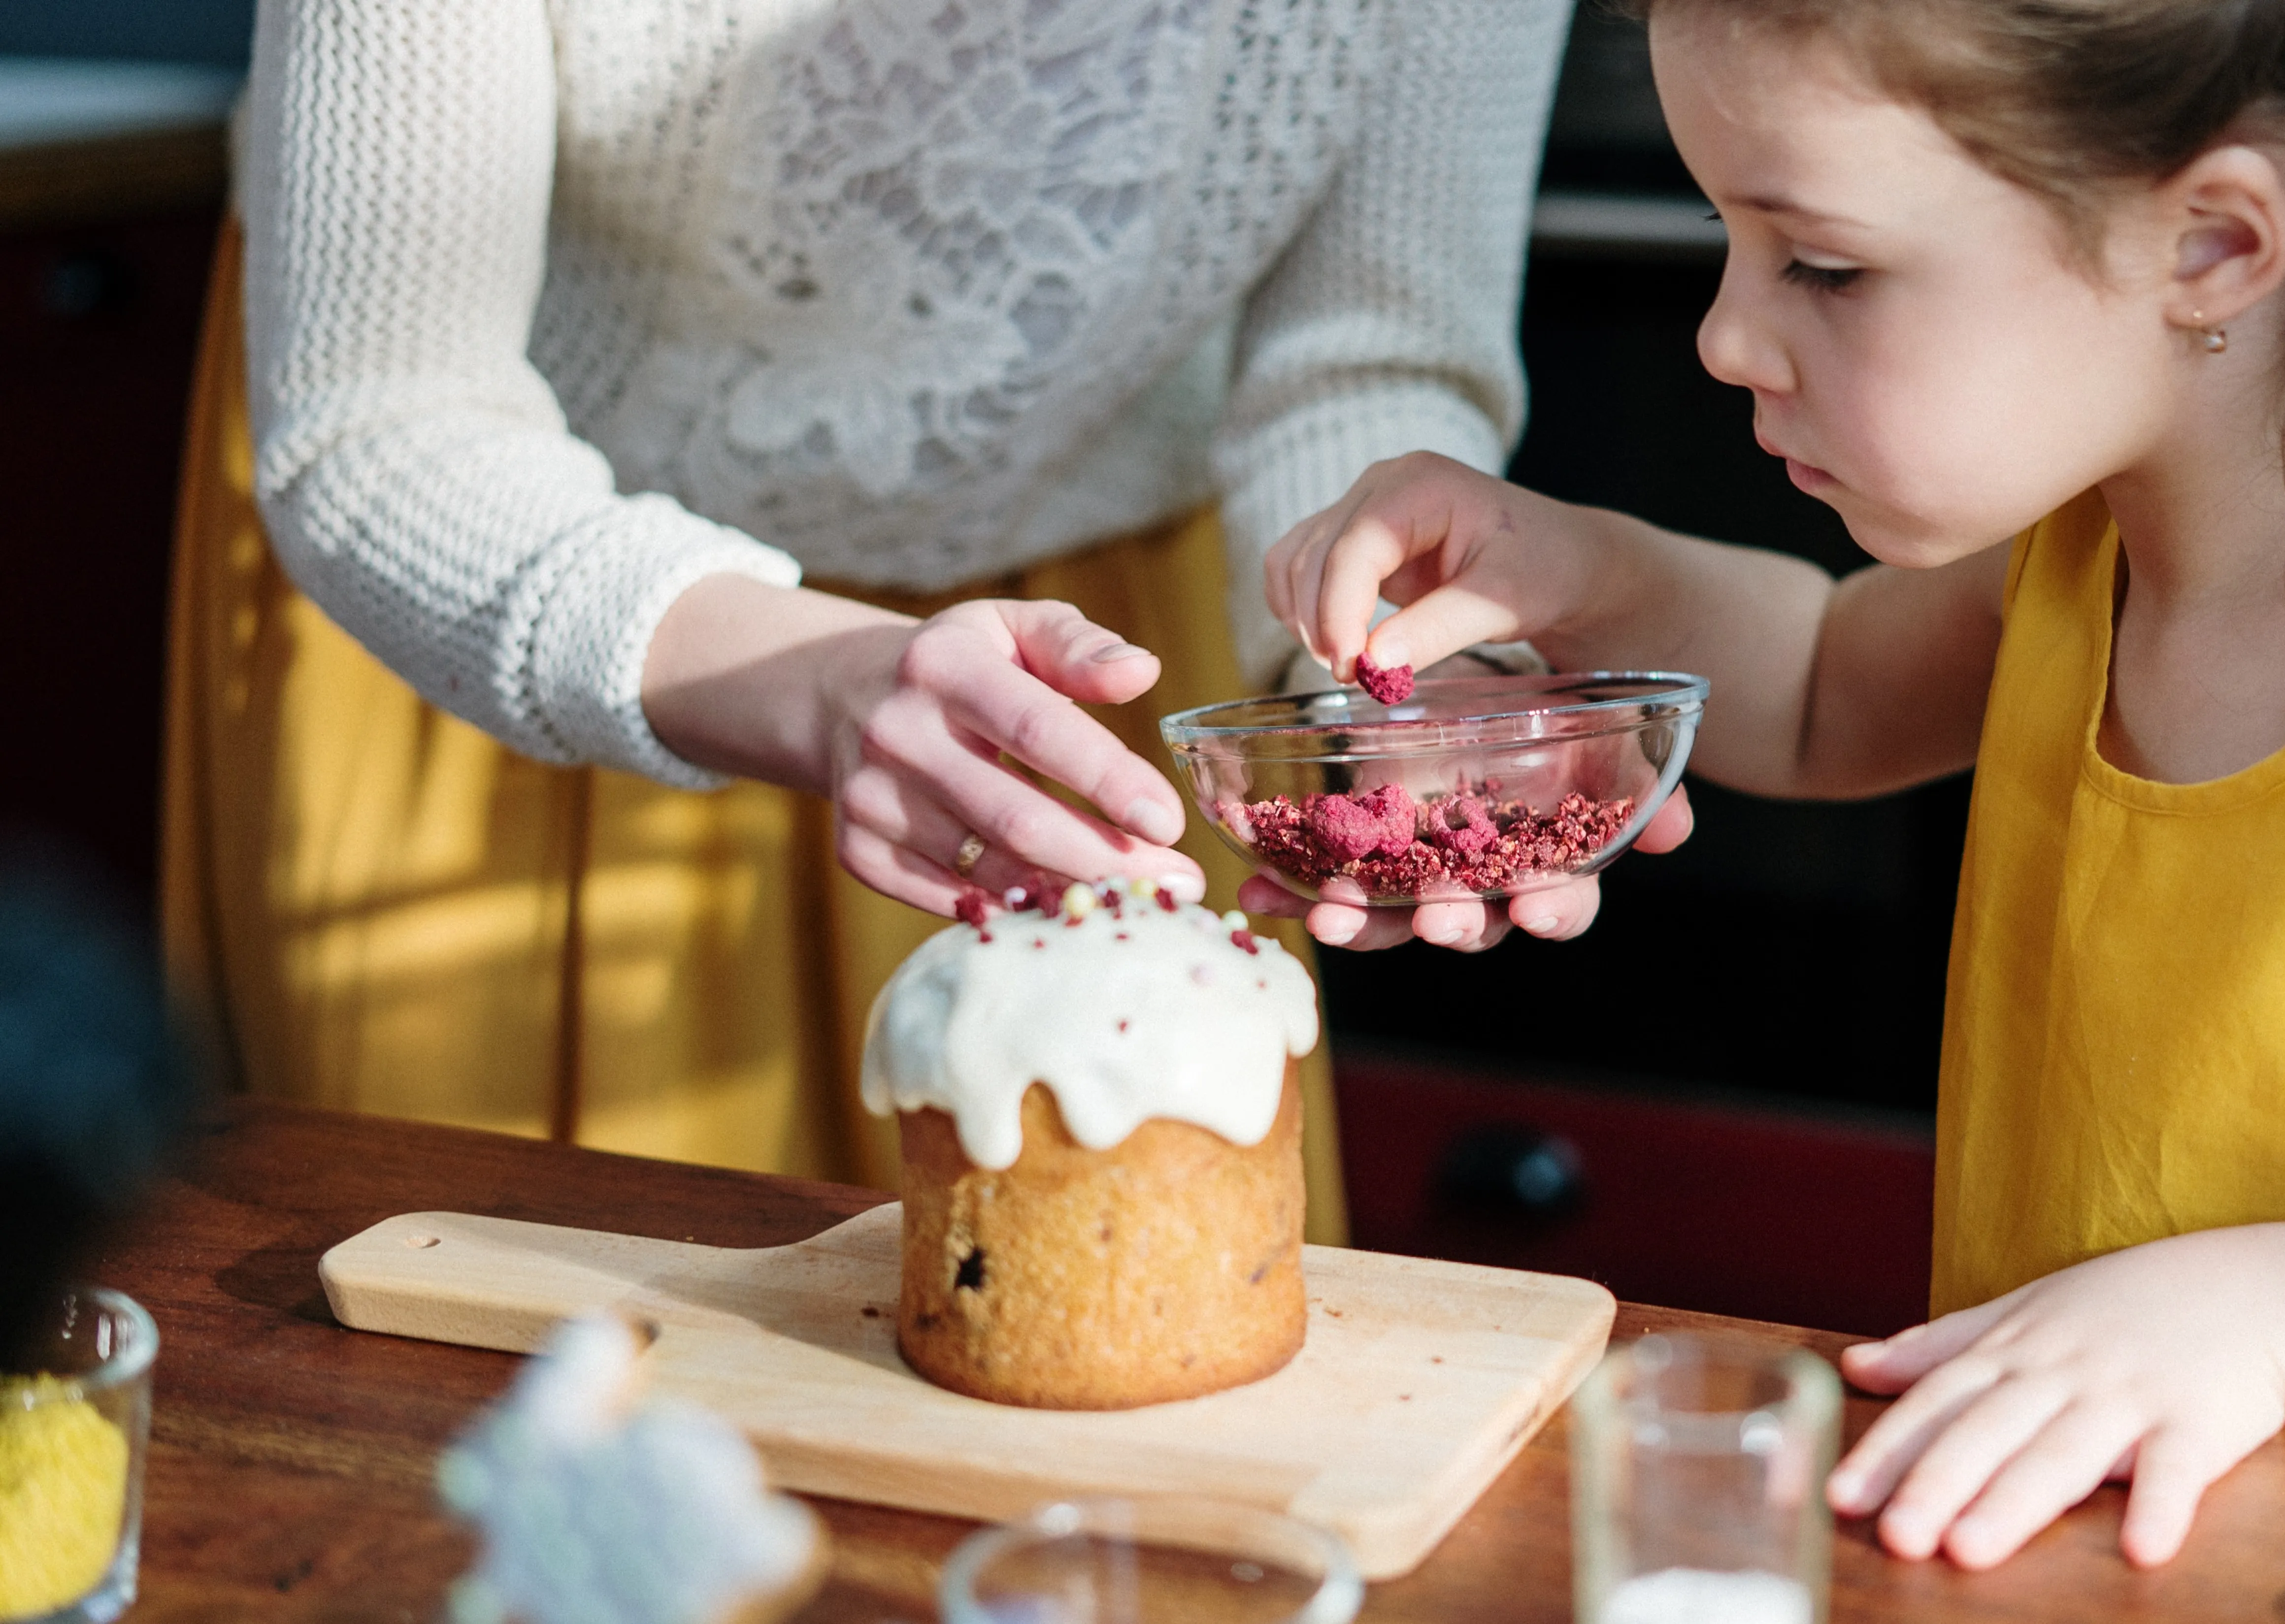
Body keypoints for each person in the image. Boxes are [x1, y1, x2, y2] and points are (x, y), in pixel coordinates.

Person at [1254, 0, 2285, 1569]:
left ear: (2212, 245)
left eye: (1823, 262)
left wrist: (2284, 1317)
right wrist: (1565, 563)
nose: (1726, 333)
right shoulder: (2088, 564)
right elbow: (1821, 688)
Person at [163, 0, 1574, 1221]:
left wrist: (1390, 675)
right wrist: (824, 677)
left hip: (1076, 704)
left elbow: (1364, 356)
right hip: (529, 634)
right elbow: (382, 424)